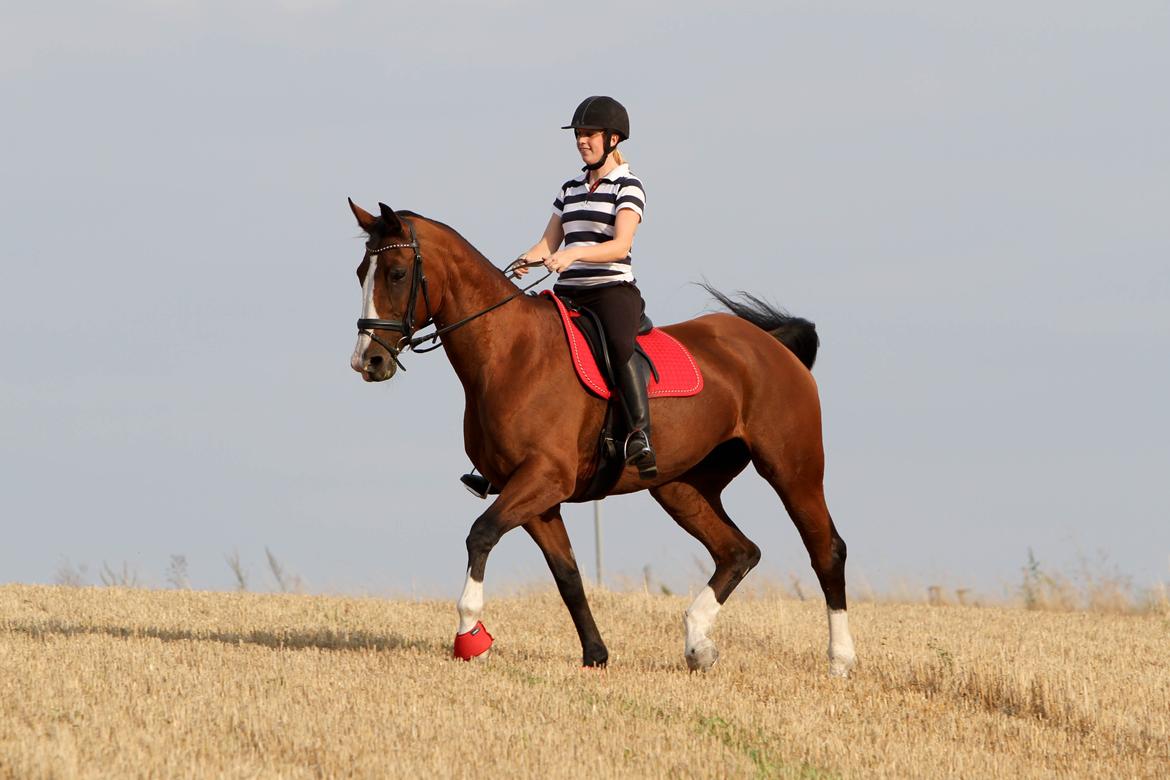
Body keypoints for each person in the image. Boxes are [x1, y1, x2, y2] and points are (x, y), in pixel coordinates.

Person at [514, 95, 656, 479]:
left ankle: (641, 433)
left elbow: (620, 244)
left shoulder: (629, 185)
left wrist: (574, 254)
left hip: (611, 290)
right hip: (569, 293)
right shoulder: (570, 188)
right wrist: (524, 259)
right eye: (578, 134)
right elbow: (548, 243)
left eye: (589, 134)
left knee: (619, 342)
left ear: (613, 139)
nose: (581, 140)